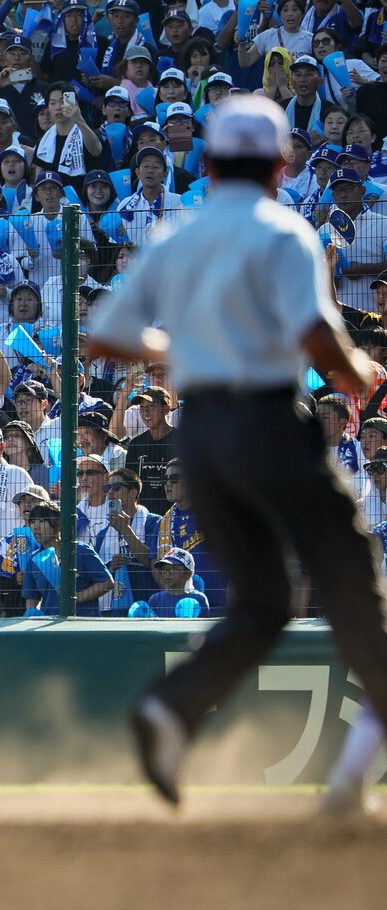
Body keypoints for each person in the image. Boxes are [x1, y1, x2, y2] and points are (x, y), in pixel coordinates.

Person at [88, 95, 387, 813]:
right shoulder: (285, 230)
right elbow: (315, 329)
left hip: (200, 435)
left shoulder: (178, 234)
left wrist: (185, 348)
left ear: (211, 162)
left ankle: (171, 707)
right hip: (264, 420)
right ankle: (353, 773)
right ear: (283, 164)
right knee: (350, 579)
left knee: (264, 600)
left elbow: (104, 336)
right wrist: (355, 371)